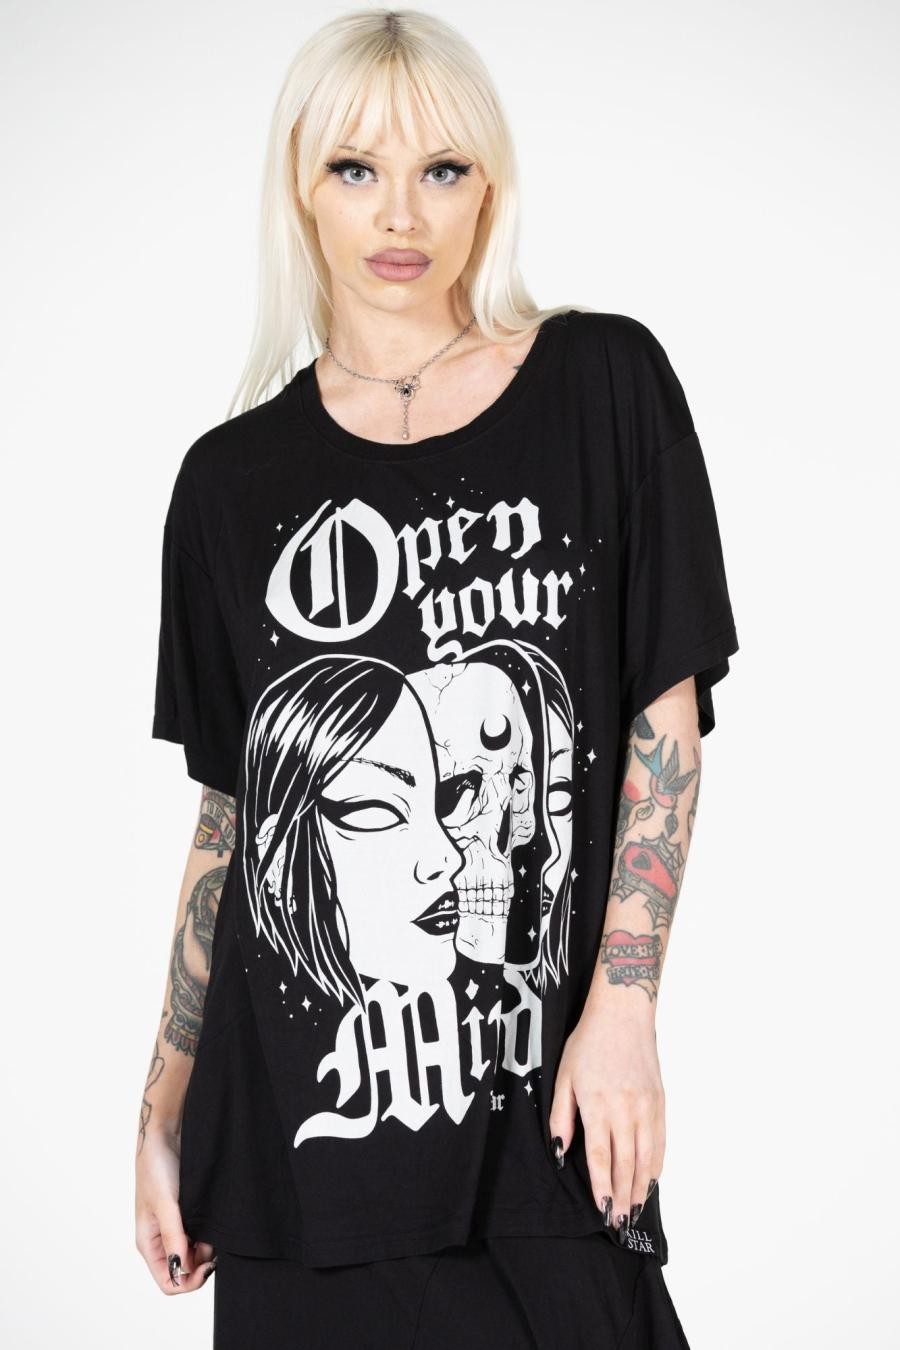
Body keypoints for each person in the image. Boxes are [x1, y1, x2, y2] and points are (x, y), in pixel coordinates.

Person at [134, 9, 739, 1347]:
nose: (400, 212)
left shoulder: (604, 386)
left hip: (540, 1139)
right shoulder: (227, 485)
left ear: (490, 187)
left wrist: (624, 1007)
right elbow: (234, 821)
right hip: (294, 1166)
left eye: (442, 169)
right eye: (355, 168)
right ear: (301, 187)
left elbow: (664, 725)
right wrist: (161, 1111)